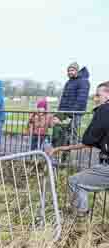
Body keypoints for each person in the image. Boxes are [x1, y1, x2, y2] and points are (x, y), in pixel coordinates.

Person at [47, 81, 109, 218]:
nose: (96, 99)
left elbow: (88, 140)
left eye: (98, 95)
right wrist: (61, 148)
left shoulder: (105, 110)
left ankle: (81, 217)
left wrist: (59, 148)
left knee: (75, 181)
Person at [58, 62, 91, 145]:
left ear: (77, 70)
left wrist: (71, 114)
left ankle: (71, 154)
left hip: (75, 113)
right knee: (62, 133)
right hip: (64, 112)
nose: (70, 72)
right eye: (68, 71)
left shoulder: (83, 81)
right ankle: (62, 153)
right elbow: (64, 98)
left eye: (72, 70)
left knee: (73, 133)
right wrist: (59, 112)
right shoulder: (69, 82)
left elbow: (81, 100)